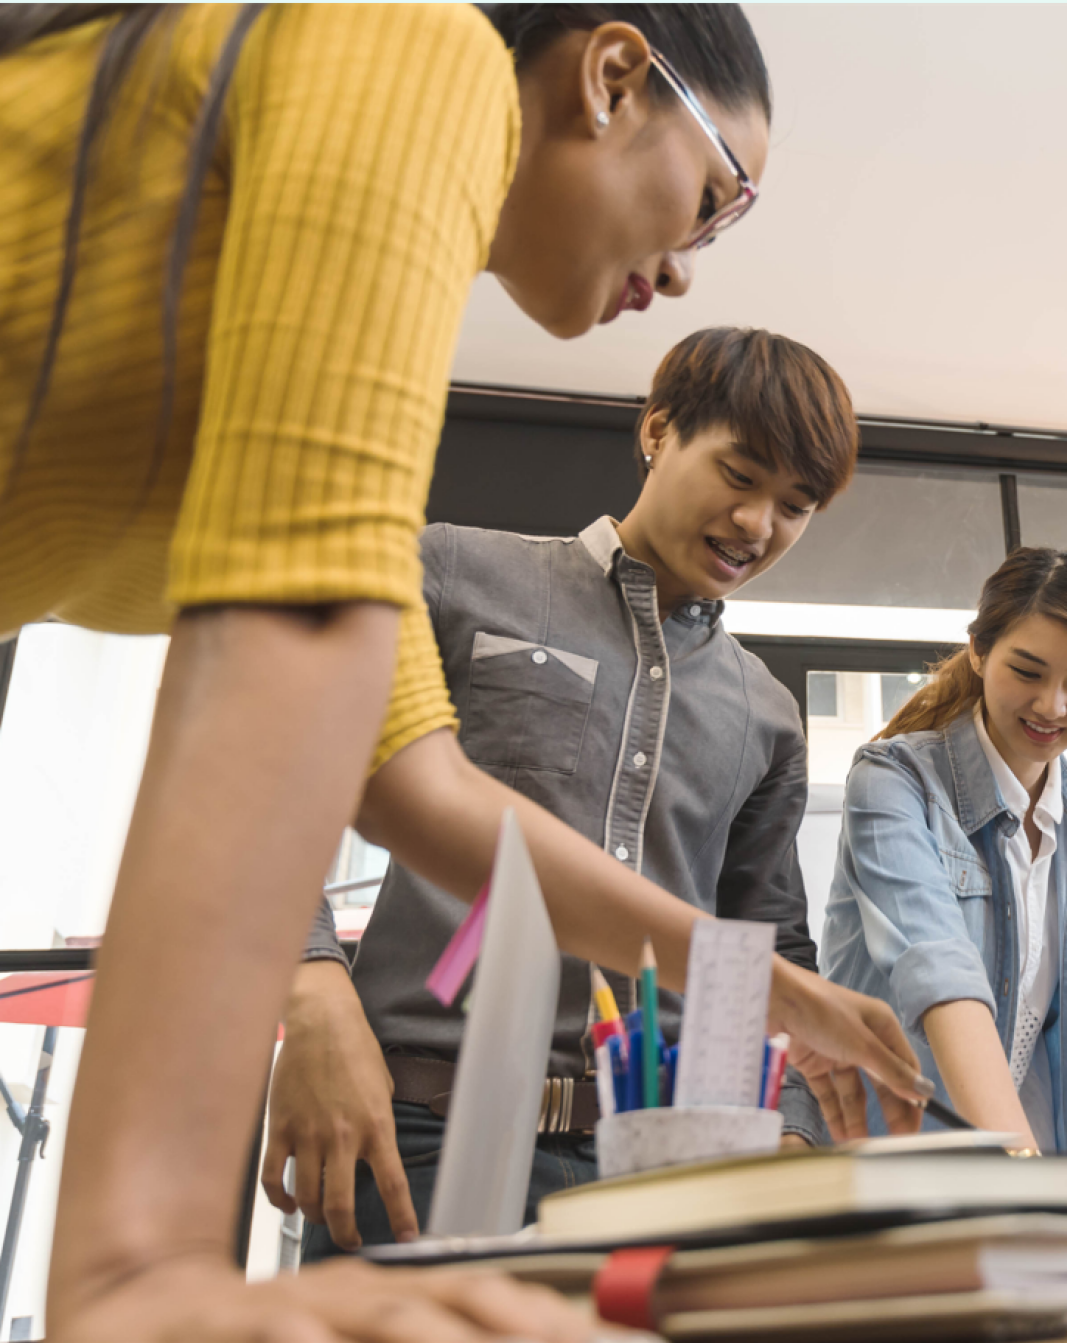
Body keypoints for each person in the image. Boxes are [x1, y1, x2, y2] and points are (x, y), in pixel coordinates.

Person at [0, 8, 924, 1340]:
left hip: (636, 1146)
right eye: (715, 202)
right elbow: (286, 658)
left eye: (800, 506)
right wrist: (139, 1264)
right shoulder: (413, 46)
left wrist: (780, 1000)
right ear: (613, 76)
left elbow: (408, 780)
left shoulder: (761, 709)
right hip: (431, 1114)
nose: (683, 270)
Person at [265, 326, 852, 1255]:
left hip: (664, 1165)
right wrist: (310, 993)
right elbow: (283, 782)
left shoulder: (767, 713)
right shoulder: (455, 575)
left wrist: (784, 1125)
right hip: (420, 1129)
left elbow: (761, 941)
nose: (756, 523)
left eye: (795, 503)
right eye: (740, 475)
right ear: (658, 430)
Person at [820, 548, 1067, 1154]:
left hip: (1009, 1173)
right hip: (885, 1161)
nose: (1053, 706)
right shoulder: (892, 782)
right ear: (979, 652)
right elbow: (940, 974)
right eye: (1029, 672)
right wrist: (1017, 1162)